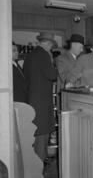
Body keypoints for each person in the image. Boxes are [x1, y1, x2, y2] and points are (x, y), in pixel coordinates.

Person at [23, 32, 58, 162]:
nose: (51, 48)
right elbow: (52, 75)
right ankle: (39, 168)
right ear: (48, 44)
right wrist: (54, 65)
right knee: (42, 137)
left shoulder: (30, 55)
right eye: (51, 46)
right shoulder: (44, 55)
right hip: (42, 103)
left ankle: (34, 166)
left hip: (31, 101)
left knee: (34, 137)